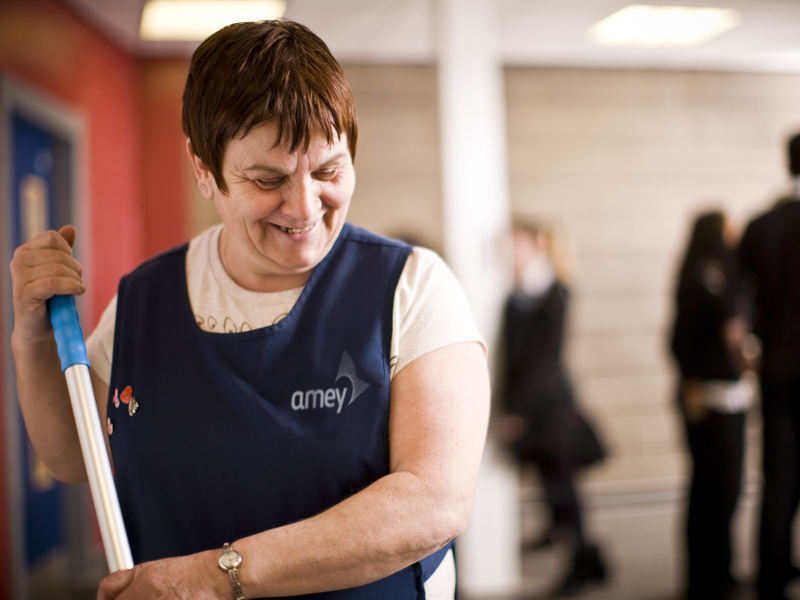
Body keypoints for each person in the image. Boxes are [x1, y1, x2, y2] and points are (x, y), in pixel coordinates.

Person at [9, 20, 490, 599]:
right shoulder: (144, 301)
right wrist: (31, 336)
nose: (305, 205)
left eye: (329, 170)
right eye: (269, 179)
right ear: (204, 169)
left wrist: (217, 578)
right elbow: (71, 454)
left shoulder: (412, 288)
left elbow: (434, 500)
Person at [497, 219, 606, 597]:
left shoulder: (551, 292)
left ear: (531, 244)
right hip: (537, 407)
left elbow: (543, 360)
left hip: (549, 408)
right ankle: (585, 554)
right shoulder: (521, 292)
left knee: (564, 486)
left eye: (513, 242)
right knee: (552, 481)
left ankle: (584, 561)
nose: (505, 250)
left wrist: (517, 410)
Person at [669, 210, 753, 600]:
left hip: (730, 399)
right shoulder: (700, 281)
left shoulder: (720, 277)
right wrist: (693, 386)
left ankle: (721, 571)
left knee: (727, 491)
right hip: (707, 401)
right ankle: (704, 579)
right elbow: (677, 344)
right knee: (709, 491)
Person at [739, 132, 800, 600]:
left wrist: (749, 348)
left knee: (779, 479)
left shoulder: (761, 226)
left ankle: (771, 579)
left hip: (778, 368)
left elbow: (739, 307)